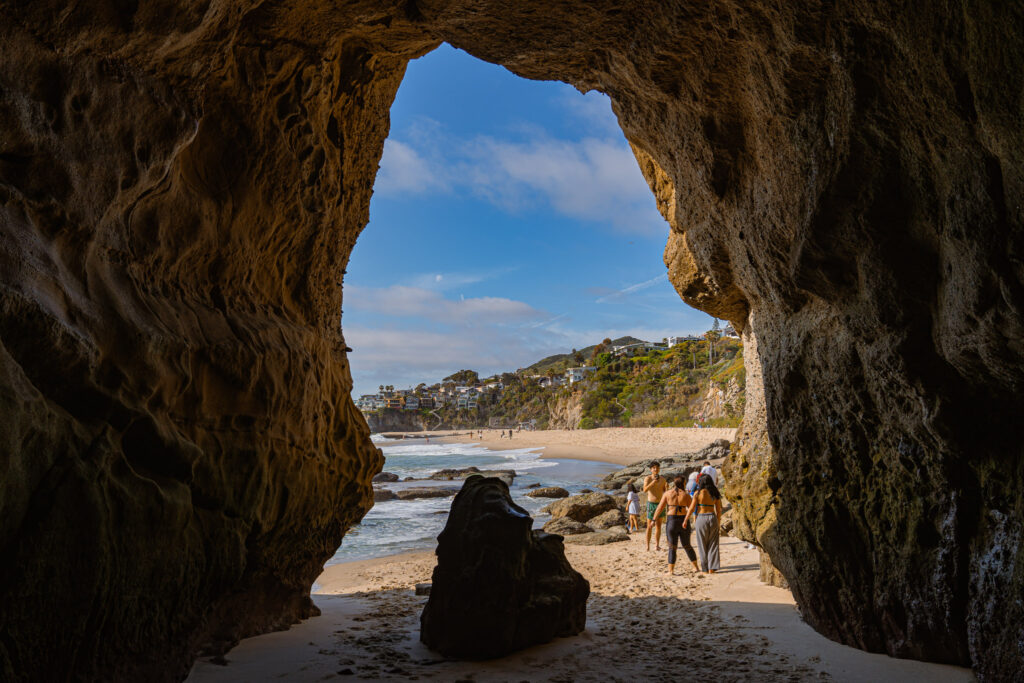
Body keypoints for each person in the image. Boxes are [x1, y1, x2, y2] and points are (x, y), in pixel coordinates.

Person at [653, 476, 700, 575]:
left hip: (672, 522)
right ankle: (696, 567)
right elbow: (692, 508)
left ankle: (671, 571)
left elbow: (659, 508)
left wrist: (654, 519)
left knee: (672, 547)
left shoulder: (667, 494)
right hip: (683, 520)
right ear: (683, 483)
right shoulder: (686, 495)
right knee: (687, 545)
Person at [684, 473, 723, 573]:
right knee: (713, 544)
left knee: (702, 544)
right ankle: (712, 568)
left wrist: (685, 519)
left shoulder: (697, 493)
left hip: (701, 518)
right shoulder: (715, 493)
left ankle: (705, 568)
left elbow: (692, 508)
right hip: (712, 517)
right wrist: (718, 522)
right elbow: (719, 510)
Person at [643, 461, 667, 551]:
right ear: (651, 469)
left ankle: (657, 545)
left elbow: (665, 492)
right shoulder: (648, 478)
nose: (655, 469)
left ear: (659, 468)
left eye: (657, 467)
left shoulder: (663, 479)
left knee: (658, 525)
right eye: (653, 468)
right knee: (649, 526)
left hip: (660, 504)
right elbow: (644, 490)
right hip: (651, 504)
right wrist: (653, 482)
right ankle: (647, 546)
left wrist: (667, 489)